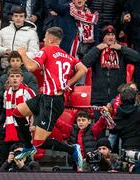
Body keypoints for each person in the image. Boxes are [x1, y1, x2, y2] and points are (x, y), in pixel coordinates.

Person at [15, 27, 88, 171]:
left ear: (51, 39)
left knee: (39, 142)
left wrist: (22, 54)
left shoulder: (47, 50)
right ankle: (27, 147)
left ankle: (72, 149)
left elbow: (30, 67)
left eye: (44, 38)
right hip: (46, 97)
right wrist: (68, 83)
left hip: (53, 101)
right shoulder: (67, 56)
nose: (43, 41)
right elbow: (83, 69)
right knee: (18, 112)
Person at [82, 25, 140, 113]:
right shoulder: (97, 50)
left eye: (112, 35)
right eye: (108, 35)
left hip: (118, 98)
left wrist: (121, 48)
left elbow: (137, 57)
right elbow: (85, 63)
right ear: (103, 37)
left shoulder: (121, 50)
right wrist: (97, 49)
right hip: (99, 98)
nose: (110, 37)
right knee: (99, 125)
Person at [0, 68, 35, 165]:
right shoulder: (6, 92)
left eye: (17, 76)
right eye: (12, 76)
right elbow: (4, 110)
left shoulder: (28, 92)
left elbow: (35, 111)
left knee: (22, 159)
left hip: (22, 129)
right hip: (7, 128)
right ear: (8, 78)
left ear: (22, 78)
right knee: (3, 157)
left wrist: (33, 125)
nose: (14, 79)